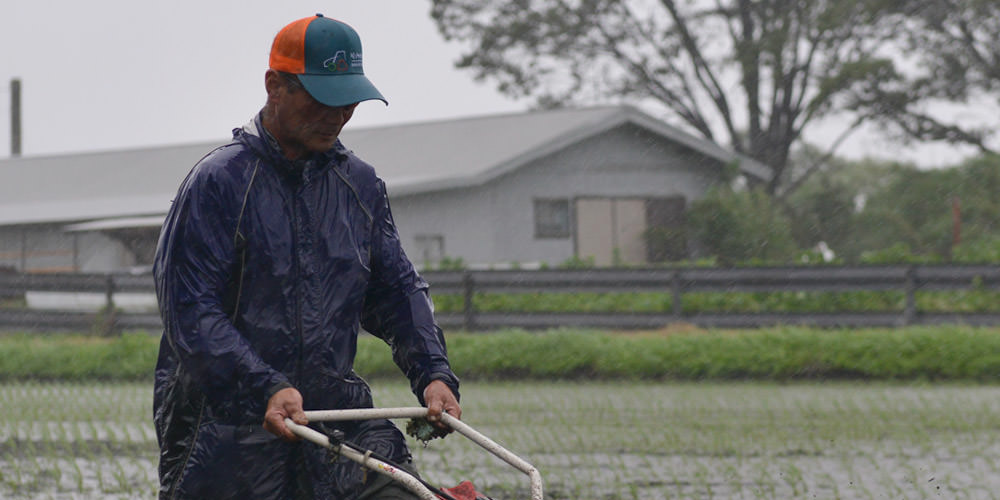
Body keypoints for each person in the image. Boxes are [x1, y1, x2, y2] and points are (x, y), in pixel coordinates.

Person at [152, 14, 462, 499]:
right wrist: (265, 386)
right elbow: (191, 313)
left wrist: (434, 373)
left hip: (334, 416)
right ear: (275, 85)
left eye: (348, 103)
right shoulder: (219, 184)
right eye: (322, 100)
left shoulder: (358, 186)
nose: (336, 116)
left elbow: (397, 289)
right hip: (230, 429)